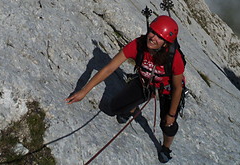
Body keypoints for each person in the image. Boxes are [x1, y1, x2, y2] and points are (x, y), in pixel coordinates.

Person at [65, 16, 185, 163]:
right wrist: (84, 91)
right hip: (144, 81)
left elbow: (178, 88)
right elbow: (109, 68)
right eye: (152, 32)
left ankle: (166, 148)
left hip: (167, 89)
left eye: (159, 37)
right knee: (114, 108)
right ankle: (132, 108)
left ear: (166, 44)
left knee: (168, 125)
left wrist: (171, 115)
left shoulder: (174, 58)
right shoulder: (138, 45)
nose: (153, 38)